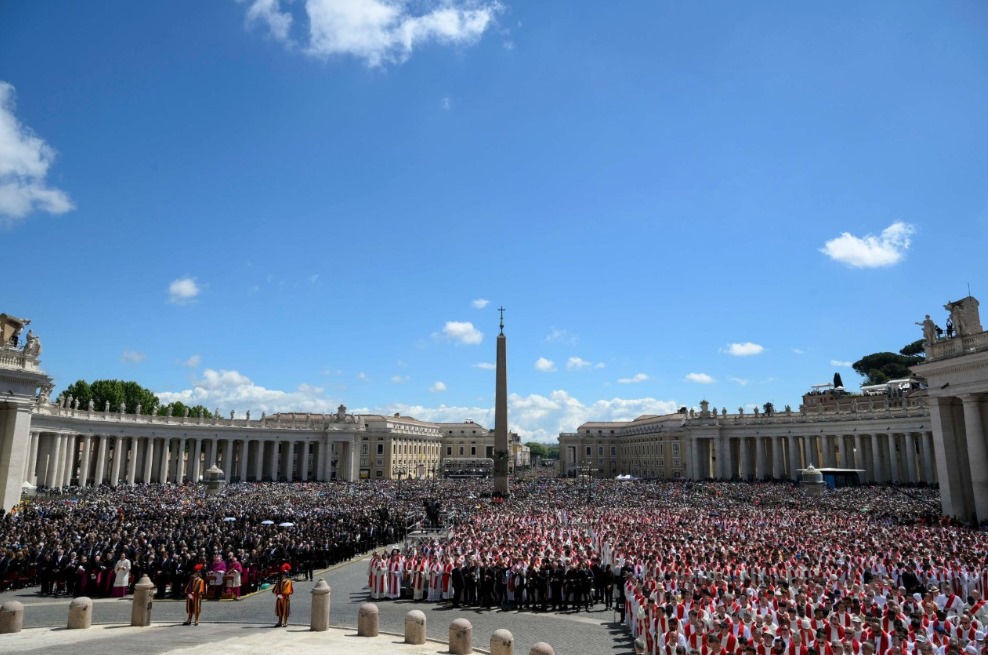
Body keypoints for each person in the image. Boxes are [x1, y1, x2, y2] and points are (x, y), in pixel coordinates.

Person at [273, 563, 294, 628]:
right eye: (282, 574)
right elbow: (275, 590)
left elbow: (288, 591)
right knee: (279, 610)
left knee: (285, 611)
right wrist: (278, 595)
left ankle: (285, 622)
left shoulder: (288, 582)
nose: (283, 576)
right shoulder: (279, 582)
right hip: (279, 598)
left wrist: (282, 595)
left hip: (285, 598)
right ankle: (279, 622)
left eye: (284, 574)